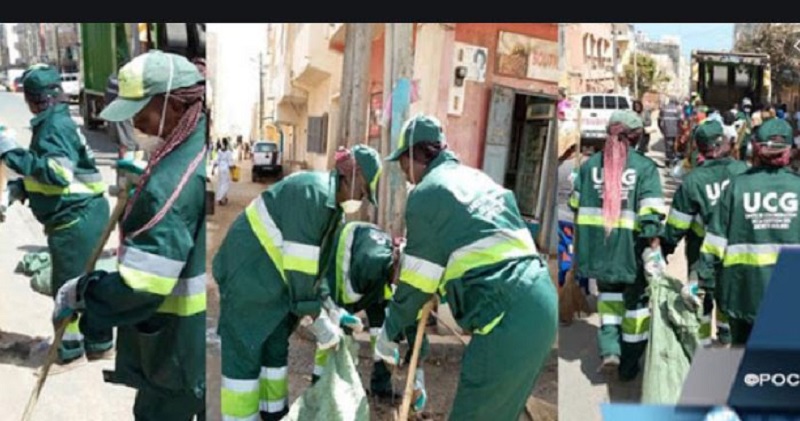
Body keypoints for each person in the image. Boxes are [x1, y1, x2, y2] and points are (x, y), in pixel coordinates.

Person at [50, 50, 208, 420]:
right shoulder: (192, 144)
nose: (137, 123)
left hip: (178, 354)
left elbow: (141, 285)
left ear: (172, 102)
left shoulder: (170, 183)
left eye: (142, 112)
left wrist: (84, 293)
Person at [374, 114, 557, 420]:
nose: (405, 175)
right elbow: (472, 255)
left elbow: (417, 285)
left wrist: (388, 334)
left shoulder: (427, 193)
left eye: (403, 164)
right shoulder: (476, 178)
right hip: (539, 303)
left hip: (508, 318)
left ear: (414, 156)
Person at [212, 143, 381, 421]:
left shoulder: (332, 210)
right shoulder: (312, 194)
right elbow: (302, 278)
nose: (361, 199)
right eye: (363, 191)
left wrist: (334, 311)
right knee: (245, 355)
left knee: (275, 350)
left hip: (275, 284)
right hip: (248, 275)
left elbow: (318, 272)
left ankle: (274, 415)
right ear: (352, 176)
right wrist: (320, 323)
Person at [0, 64, 113, 368]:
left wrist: (9, 152)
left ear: (31, 99)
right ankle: (99, 343)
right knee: (88, 285)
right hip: (86, 214)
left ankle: (68, 351)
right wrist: (19, 190)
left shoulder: (53, 127)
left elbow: (57, 173)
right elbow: (53, 173)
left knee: (68, 291)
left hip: (75, 220)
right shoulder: (57, 121)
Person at [569, 109, 666, 381]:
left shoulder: (588, 167)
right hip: (631, 256)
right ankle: (628, 365)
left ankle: (610, 349)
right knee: (635, 309)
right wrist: (655, 250)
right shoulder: (644, 168)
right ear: (635, 138)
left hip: (599, 255)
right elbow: (650, 216)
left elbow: (574, 205)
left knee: (609, 304)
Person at [695, 118, 800, 345]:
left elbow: (714, 241)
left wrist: (703, 278)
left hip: (744, 293)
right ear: (790, 151)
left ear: (755, 147)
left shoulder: (737, 187)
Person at [312, 221, 429, 410]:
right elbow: (332, 297)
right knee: (337, 332)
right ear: (396, 267)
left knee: (381, 328)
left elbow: (414, 325)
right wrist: (336, 313)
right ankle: (320, 388)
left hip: (369, 256)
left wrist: (418, 373)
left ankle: (381, 388)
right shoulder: (368, 267)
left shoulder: (402, 279)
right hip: (345, 260)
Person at [662, 120, 748, 347]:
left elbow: (677, 226)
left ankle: (702, 347)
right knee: (727, 297)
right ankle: (727, 338)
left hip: (701, 254)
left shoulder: (693, 181)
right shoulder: (744, 172)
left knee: (701, 299)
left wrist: (662, 250)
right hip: (737, 254)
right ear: (725, 143)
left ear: (699, 149)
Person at [556, 141, 589, 295]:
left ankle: (563, 282)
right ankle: (579, 287)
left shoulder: (557, 166)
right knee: (579, 251)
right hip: (578, 218)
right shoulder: (586, 164)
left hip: (560, 217)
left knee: (565, 249)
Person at [659, 96, 682, 164]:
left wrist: (661, 129)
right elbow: (680, 121)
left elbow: (659, 120)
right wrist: (679, 130)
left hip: (666, 130)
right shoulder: (677, 109)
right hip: (675, 130)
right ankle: (673, 159)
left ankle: (668, 160)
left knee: (668, 145)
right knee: (674, 145)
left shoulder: (664, 108)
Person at [214, 137, 234, 205]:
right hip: (226, 169)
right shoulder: (228, 152)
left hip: (220, 169)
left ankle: (223, 198)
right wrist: (232, 171)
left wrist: (213, 169)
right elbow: (230, 163)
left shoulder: (219, 151)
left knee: (220, 183)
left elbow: (216, 161)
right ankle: (220, 198)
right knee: (225, 184)